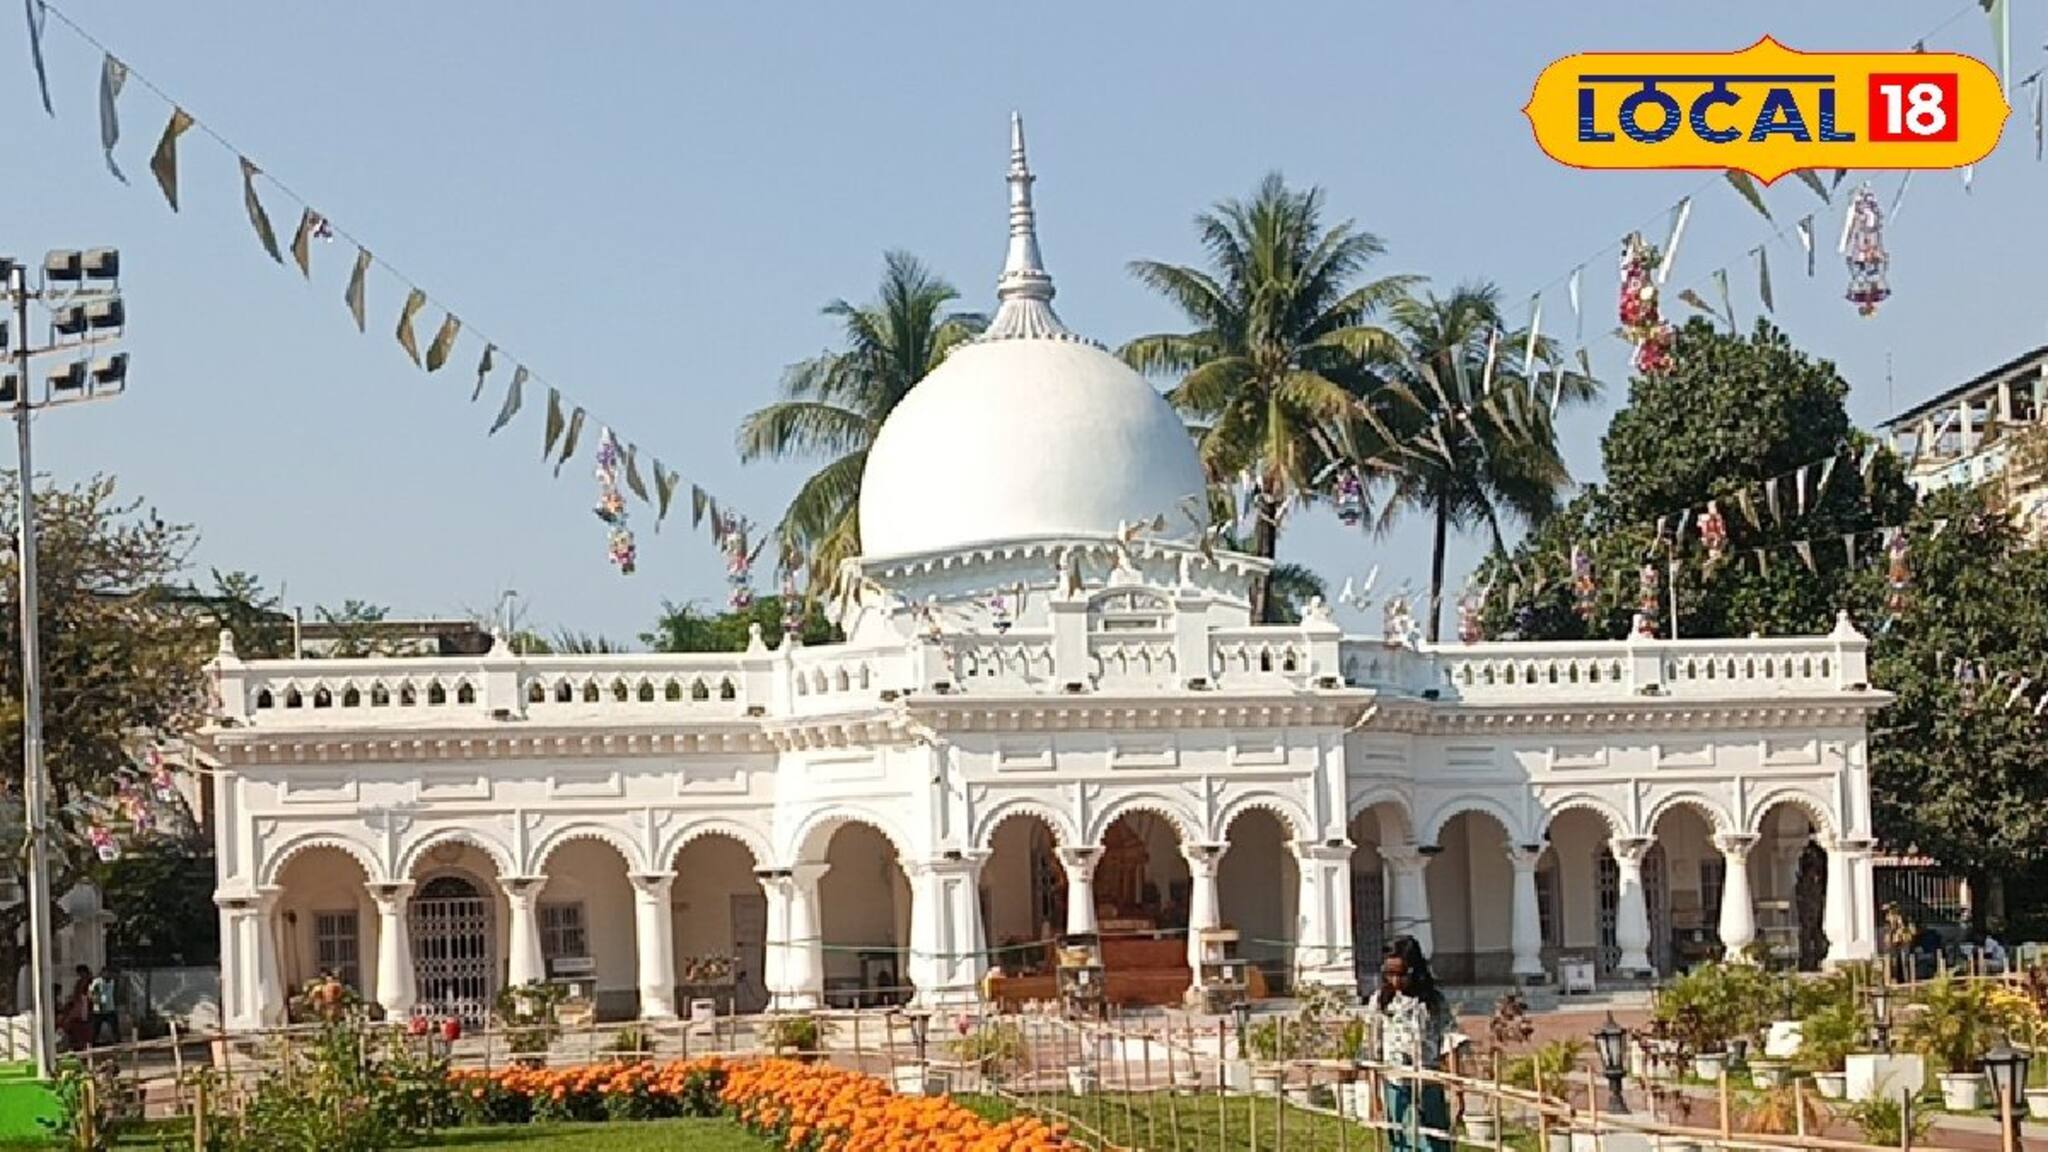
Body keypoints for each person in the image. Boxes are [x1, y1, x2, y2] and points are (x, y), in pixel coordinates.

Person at [1361, 936, 1453, 1152]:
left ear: (1415, 969)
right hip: (1396, 1084)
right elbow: (1372, 1049)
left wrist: (1457, 1089)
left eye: (1401, 974)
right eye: (1389, 974)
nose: (1395, 981)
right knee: (1402, 1140)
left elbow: (1449, 1039)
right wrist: (1374, 1096)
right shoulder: (1381, 1002)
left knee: (1433, 1141)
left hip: (1428, 1082)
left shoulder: (1432, 1001)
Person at [62, 965, 93, 1051]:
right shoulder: (79, 982)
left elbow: (89, 995)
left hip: (84, 1005)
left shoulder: (90, 982)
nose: (81, 974)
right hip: (78, 1004)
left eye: (82, 972)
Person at [88, 967, 119, 1045]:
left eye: (109, 973)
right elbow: (91, 992)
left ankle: (117, 1041)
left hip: (110, 1008)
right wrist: (95, 1001)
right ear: (102, 973)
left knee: (114, 1026)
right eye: (105, 973)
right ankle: (93, 1042)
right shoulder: (97, 981)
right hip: (99, 1009)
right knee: (96, 1028)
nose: (107, 974)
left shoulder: (112, 981)